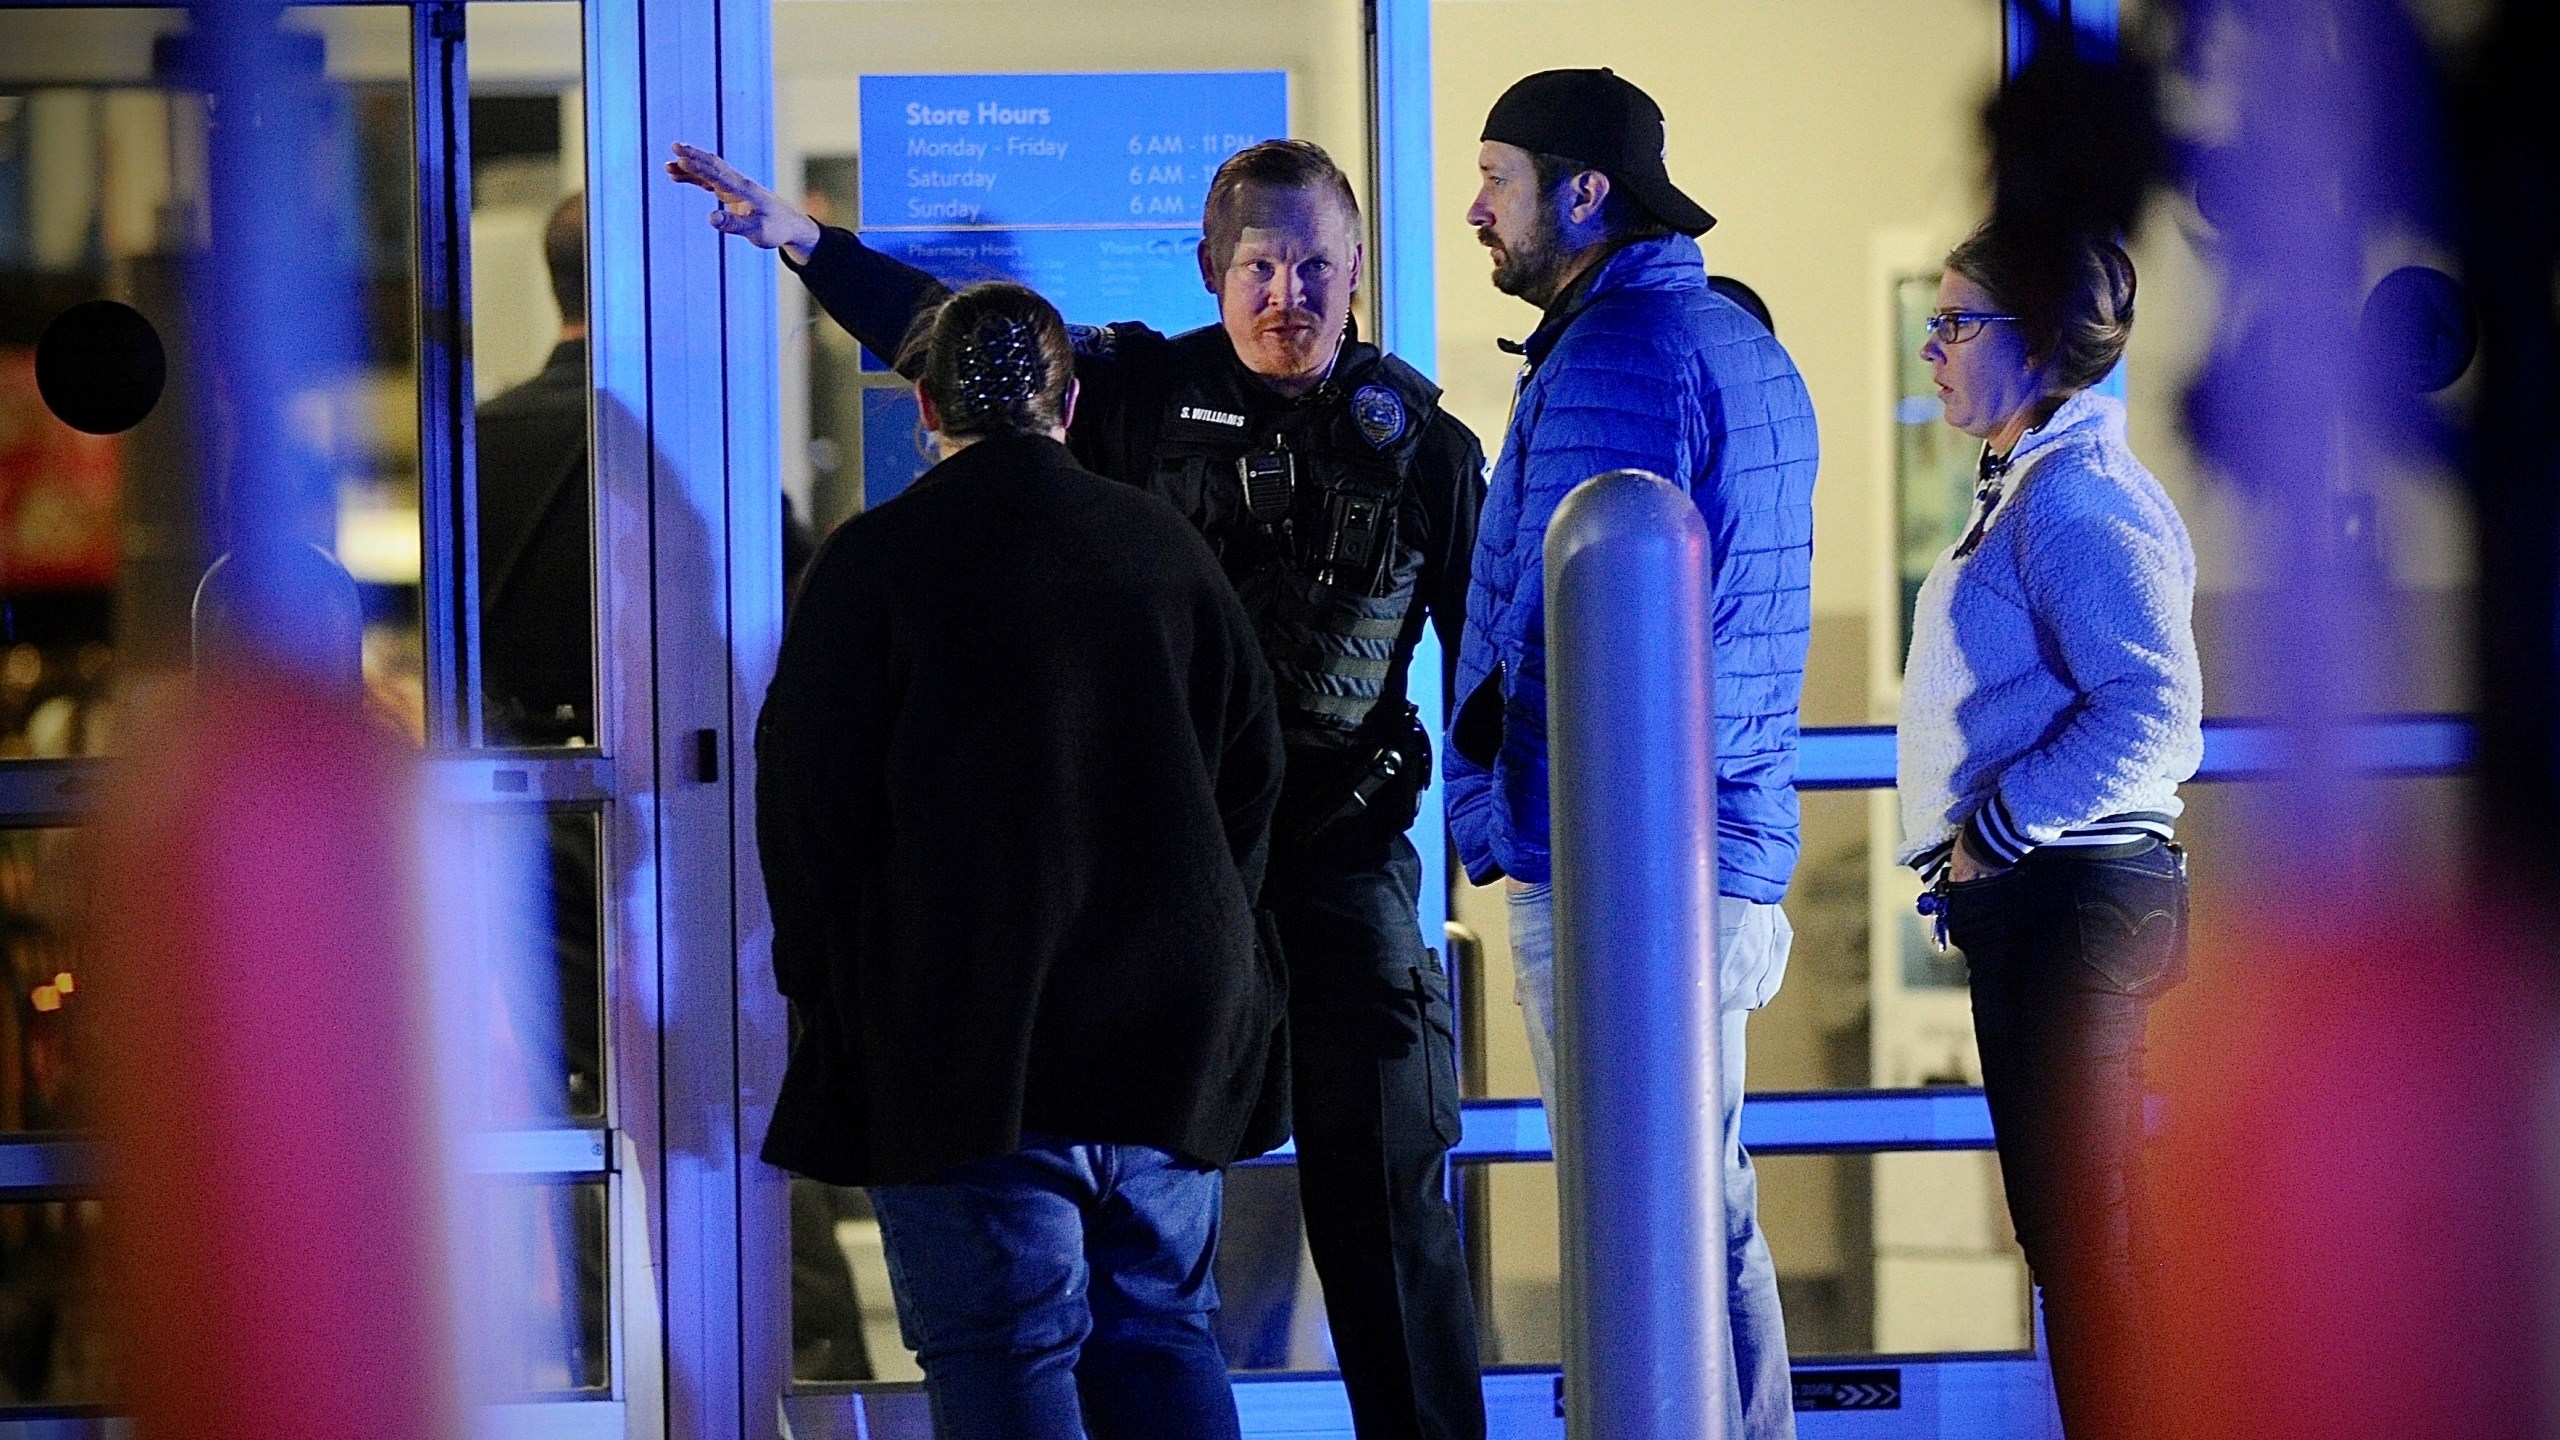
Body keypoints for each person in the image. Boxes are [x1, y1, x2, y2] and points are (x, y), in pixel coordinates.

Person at [672, 138, 1488, 1440]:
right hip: (1175, 892)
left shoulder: (1427, 448)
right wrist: (810, 246)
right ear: (1213, 271)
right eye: (1263, 265)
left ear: (1355, 271)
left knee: (1385, 1220)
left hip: (1335, 868)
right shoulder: (1143, 400)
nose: (1292, 293)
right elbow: (957, 346)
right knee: (1141, 1305)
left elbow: (1491, 661)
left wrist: (1507, 833)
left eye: (1318, 265)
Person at [757, 281, 1287, 1440]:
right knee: (1161, 1335)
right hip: (1171, 1027)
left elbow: (806, 809)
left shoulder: (874, 563)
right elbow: (1252, 777)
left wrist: (836, 989)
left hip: (965, 1035)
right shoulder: (1164, 547)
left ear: (921, 409)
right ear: (1072, 401)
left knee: (1006, 1349)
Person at [1447, 68, 1817, 1440]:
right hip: (1707, 850)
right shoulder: (1728, 344)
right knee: (1699, 1199)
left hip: (1624, 872)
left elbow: (1575, 634)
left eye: (1498, 178)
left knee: (1644, 1208)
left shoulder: (1620, 359)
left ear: (1584, 192)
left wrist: (1492, 805)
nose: (1479, 211)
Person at [1899, 224, 2198, 1439]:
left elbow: (2156, 709)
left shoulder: (2076, 498)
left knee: (2095, 1244)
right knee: (2073, 1244)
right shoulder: (2029, 482)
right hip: (2042, 906)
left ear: (2028, 342)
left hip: (2076, 902)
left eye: (1956, 321)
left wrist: (1998, 831)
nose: (1931, 345)